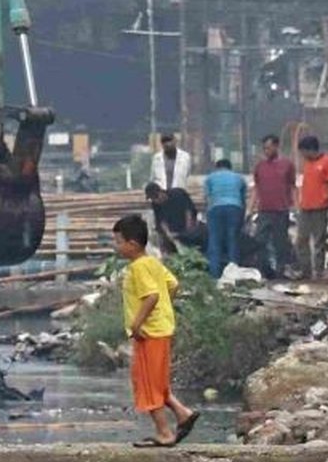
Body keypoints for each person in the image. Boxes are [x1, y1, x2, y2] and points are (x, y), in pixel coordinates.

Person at [112, 214, 199, 448]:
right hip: (160, 330)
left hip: (149, 333)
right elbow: (173, 285)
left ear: (132, 244)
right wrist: (162, 311)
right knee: (155, 381)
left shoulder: (138, 268)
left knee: (147, 383)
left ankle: (164, 433)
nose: (116, 246)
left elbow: (152, 296)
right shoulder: (153, 263)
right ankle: (183, 413)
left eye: (119, 242)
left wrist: (137, 324)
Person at [250, 134, 296, 280]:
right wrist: (250, 209)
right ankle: (265, 270)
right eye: (264, 149)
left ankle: (280, 272)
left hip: (281, 210)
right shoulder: (260, 167)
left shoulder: (287, 165)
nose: (266, 151)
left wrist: (296, 206)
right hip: (264, 210)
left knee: (280, 243)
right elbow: (256, 189)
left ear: (276, 146)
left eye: (269, 148)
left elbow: (293, 186)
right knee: (259, 241)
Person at [295, 136, 328, 280]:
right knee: (301, 239)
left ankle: (319, 271)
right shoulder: (307, 163)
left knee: (319, 240)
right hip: (305, 206)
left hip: (321, 206)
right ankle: (305, 270)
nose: (302, 155)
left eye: (303, 152)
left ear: (310, 150)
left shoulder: (327, 162)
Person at [203, 159, 246, 278]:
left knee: (214, 241)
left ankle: (214, 275)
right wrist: (242, 217)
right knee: (233, 240)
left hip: (215, 208)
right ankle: (233, 275)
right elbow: (243, 200)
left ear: (217, 168)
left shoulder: (210, 178)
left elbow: (207, 199)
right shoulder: (239, 178)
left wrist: (208, 217)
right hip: (235, 208)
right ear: (230, 167)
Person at [144, 182, 199, 254]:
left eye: (156, 197)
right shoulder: (156, 205)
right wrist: (168, 234)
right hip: (173, 232)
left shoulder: (178, 193)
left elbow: (188, 211)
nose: (156, 201)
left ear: (160, 191)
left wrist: (188, 229)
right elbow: (161, 221)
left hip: (187, 227)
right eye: (152, 199)